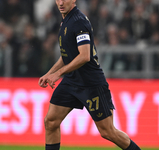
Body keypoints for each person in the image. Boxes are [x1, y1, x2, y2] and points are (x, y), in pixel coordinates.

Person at [38, 0, 141, 150]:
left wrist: (58, 74)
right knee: (51, 121)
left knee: (108, 132)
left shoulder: (78, 21)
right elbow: (66, 55)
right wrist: (49, 73)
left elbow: (84, 56)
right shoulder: (65, 21)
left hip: (90, 83)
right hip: (71, 81)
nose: (60, 2)